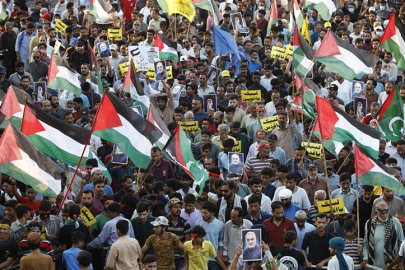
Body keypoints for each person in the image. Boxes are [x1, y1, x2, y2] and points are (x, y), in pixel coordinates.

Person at [363, 201, 404, 268]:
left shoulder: (395, 222)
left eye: (386, 213)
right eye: (382, 213)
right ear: (376, 212)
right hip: (374, 264)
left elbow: (401, 242)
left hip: (392, 264)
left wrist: (400, 259)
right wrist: (365, 258)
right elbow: (366, 244)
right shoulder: (369, 224)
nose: (384, 215)